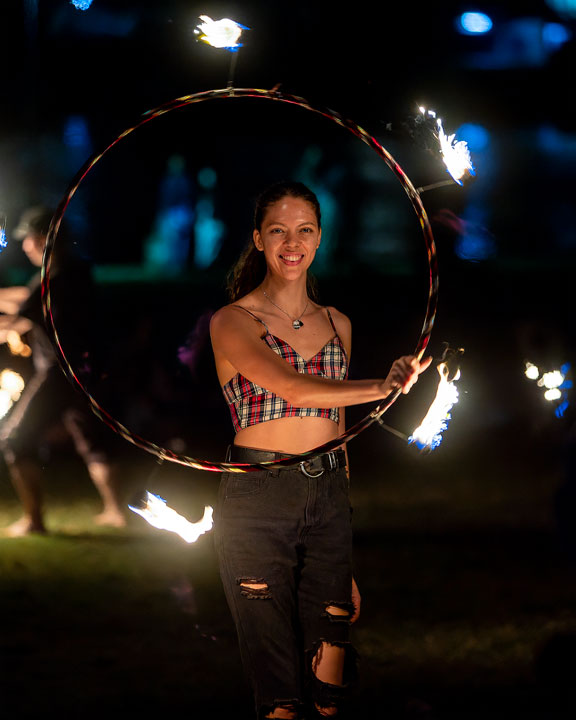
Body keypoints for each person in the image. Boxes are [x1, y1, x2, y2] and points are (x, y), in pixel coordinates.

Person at [210, 181, 431, 719]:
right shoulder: (233, 321)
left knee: (330, 686)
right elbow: (295, 389)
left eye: (304, 230)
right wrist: (386, 385)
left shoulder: (338, 323)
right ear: (258, 239)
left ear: (319, 238)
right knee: (280, 697)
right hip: (257, 501)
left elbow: (336, 425)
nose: (292, 242)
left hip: (328, 497)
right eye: (279, 231)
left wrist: (342, 558)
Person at [0, 205, 126, 535]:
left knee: (14, 440)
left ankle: (34, 520)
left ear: (41, 239)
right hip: (84, 373)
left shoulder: (55, 278)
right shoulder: (74, 271)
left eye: (26, 239)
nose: (24, 246)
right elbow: (26, 300)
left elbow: (22, 310)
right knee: (92, 441)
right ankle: (116, 512)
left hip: (58, 373)